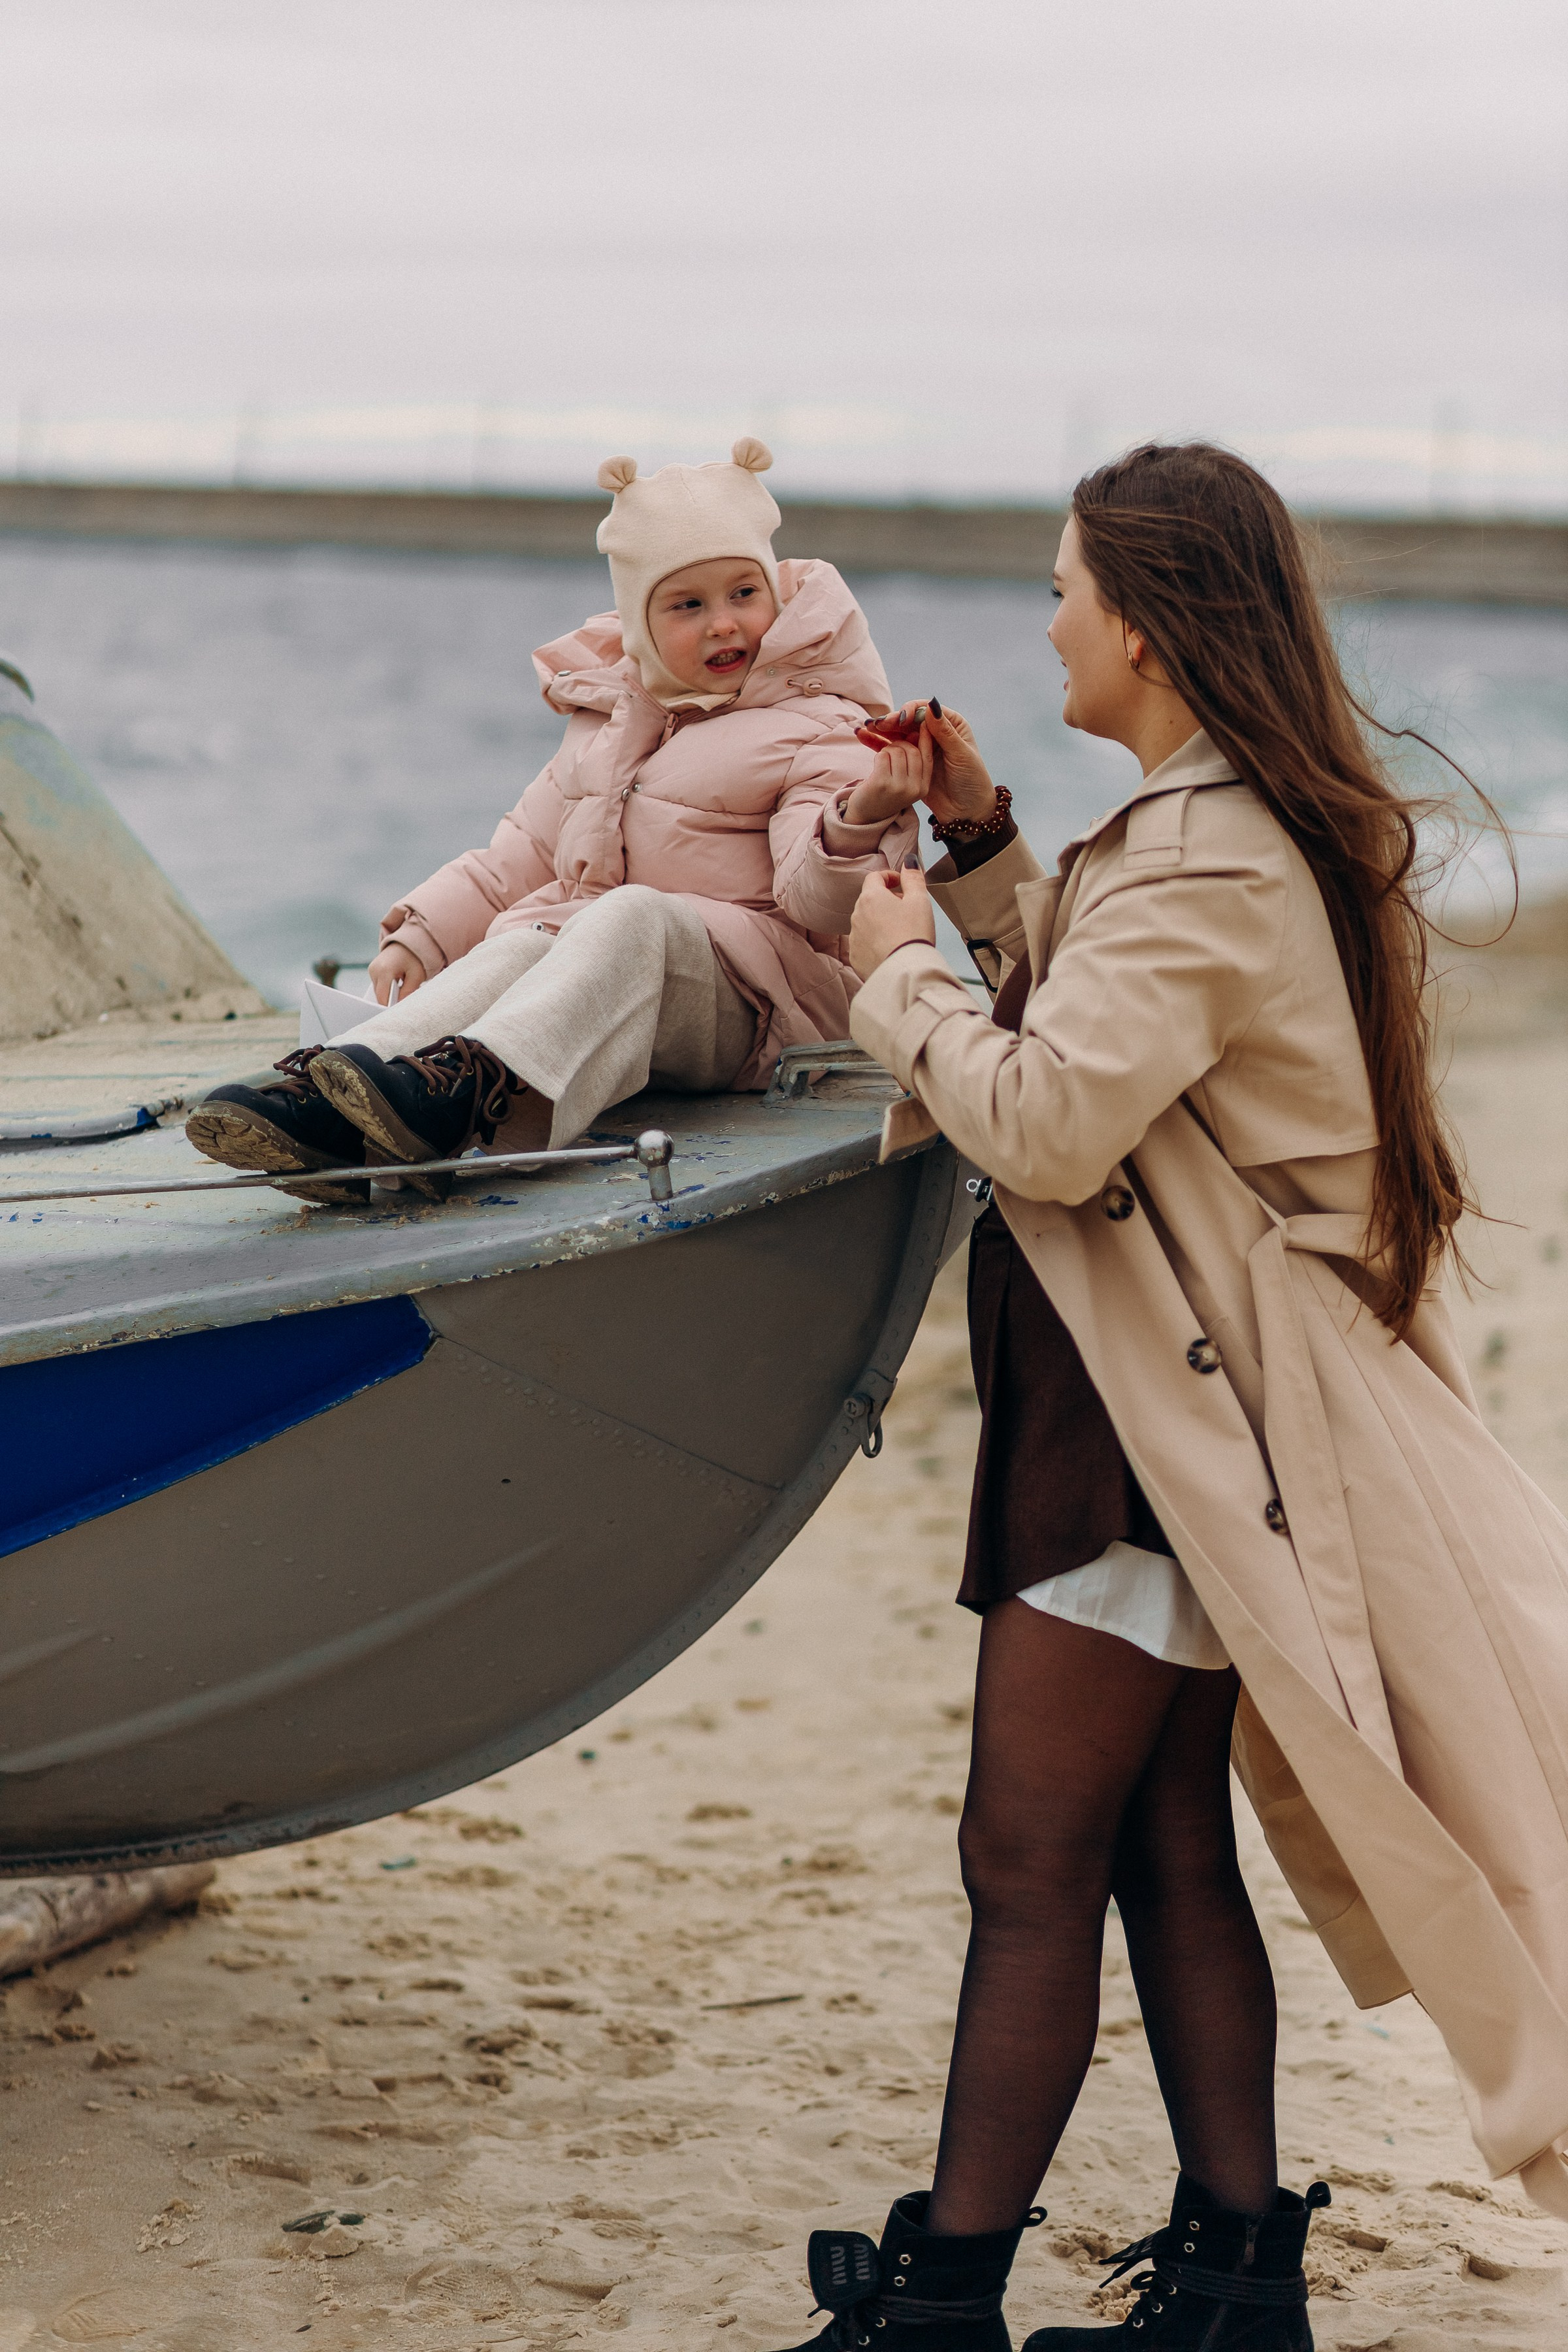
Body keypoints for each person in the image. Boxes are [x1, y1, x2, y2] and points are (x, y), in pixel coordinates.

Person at [766, 443, 1568, 2352]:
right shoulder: (1217, 830)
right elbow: (1133, 1041)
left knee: (1026, 1855)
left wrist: (895, 977)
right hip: (1162, 1402)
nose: (1043, 620)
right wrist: (979, 859)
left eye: (1061, 589)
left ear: (1141, 619)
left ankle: (940, 2304)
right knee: (1150, 1843)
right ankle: (1231, 2271)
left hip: (1155, 1423)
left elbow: (1047, 1122)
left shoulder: (1209, 851)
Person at [186, 439, 916, 1201]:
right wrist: (425, 933)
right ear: (640, 624)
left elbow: (818, 900)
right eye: (688, 605)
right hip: (617, 991)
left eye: (743, 593)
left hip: (764, 1006)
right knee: (526, 941)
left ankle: (475, 1092)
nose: (724, 624)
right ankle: (343, 1094)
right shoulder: (611, 728)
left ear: (775, 593)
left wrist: (857, 821)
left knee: (633, 916)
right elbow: (522, 855)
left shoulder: (819, 721)